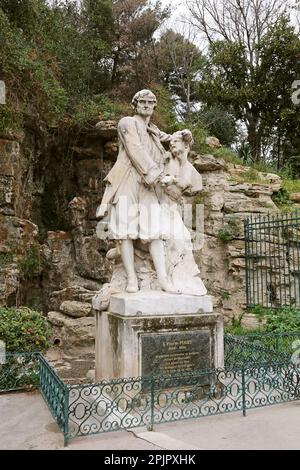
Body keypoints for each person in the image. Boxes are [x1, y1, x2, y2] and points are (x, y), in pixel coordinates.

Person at [96, 89, 181, 294]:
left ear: (154, 106)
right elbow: (136, 151)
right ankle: (131, 279)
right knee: (125, 230)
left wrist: (182, 136)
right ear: (135, 104)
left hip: (148, 184)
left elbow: (169, 139)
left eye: (150, 101)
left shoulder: (153, 130)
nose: (145, 104)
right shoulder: (127, 122)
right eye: (141, 101)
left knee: (155, 231)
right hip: (128, 178)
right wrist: (159, 176)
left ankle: (163, 279)